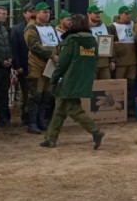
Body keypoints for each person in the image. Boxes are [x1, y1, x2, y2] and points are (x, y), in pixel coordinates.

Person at [41, 14, 105, 149]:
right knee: (60, 108)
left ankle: (96, 131)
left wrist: (53, 78)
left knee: (73, 109)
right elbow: (95, 61)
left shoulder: (71, 40)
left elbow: (63, 63)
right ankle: (51, 138)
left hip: (69, 80)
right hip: (84, 78)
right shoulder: (92, 40)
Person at [24, 2, 60, 133]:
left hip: (50, 65)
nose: (47, 14)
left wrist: (58, 55)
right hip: (37, 65)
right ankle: (32, 123)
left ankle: (41, 120)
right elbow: (34, 45)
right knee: (35, 95)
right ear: (37, 13)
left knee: (46, 94)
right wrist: (51, 55)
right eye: (44, 12)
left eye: (48, 12)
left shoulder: (51, 27)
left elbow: (57, 44)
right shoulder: (31, 28)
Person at [110, 6, 137, 116]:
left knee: (131, 86)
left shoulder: (133, 25)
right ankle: (117, 108)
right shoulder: (113, 27)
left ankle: (129, 109)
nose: (128, 16)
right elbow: (110, 44)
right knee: (119, 86)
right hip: (120, 62)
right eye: (126, 14)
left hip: (132, 61)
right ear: (120, 14)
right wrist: (112, 59)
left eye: (129, 14)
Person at [11, 3, 37, 119]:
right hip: (24, 65)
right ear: (24, 14)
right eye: (30, 11)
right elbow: (14, 48)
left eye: (34, 11)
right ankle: (25, 115)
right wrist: (17, 65)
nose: (33, 14)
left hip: (38, 65)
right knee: (26, 92)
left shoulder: (40, 27)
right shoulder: (17, 29)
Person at [88, 6, 114, 81]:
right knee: (92, 85)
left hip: (104, 63)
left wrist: (112, 60)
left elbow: (111, 44)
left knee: (107, 85)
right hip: (91, 63)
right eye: (95, 13)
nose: (98, 15)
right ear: (89, 14)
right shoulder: (84, 27)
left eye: (99, 13)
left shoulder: (105, 26)